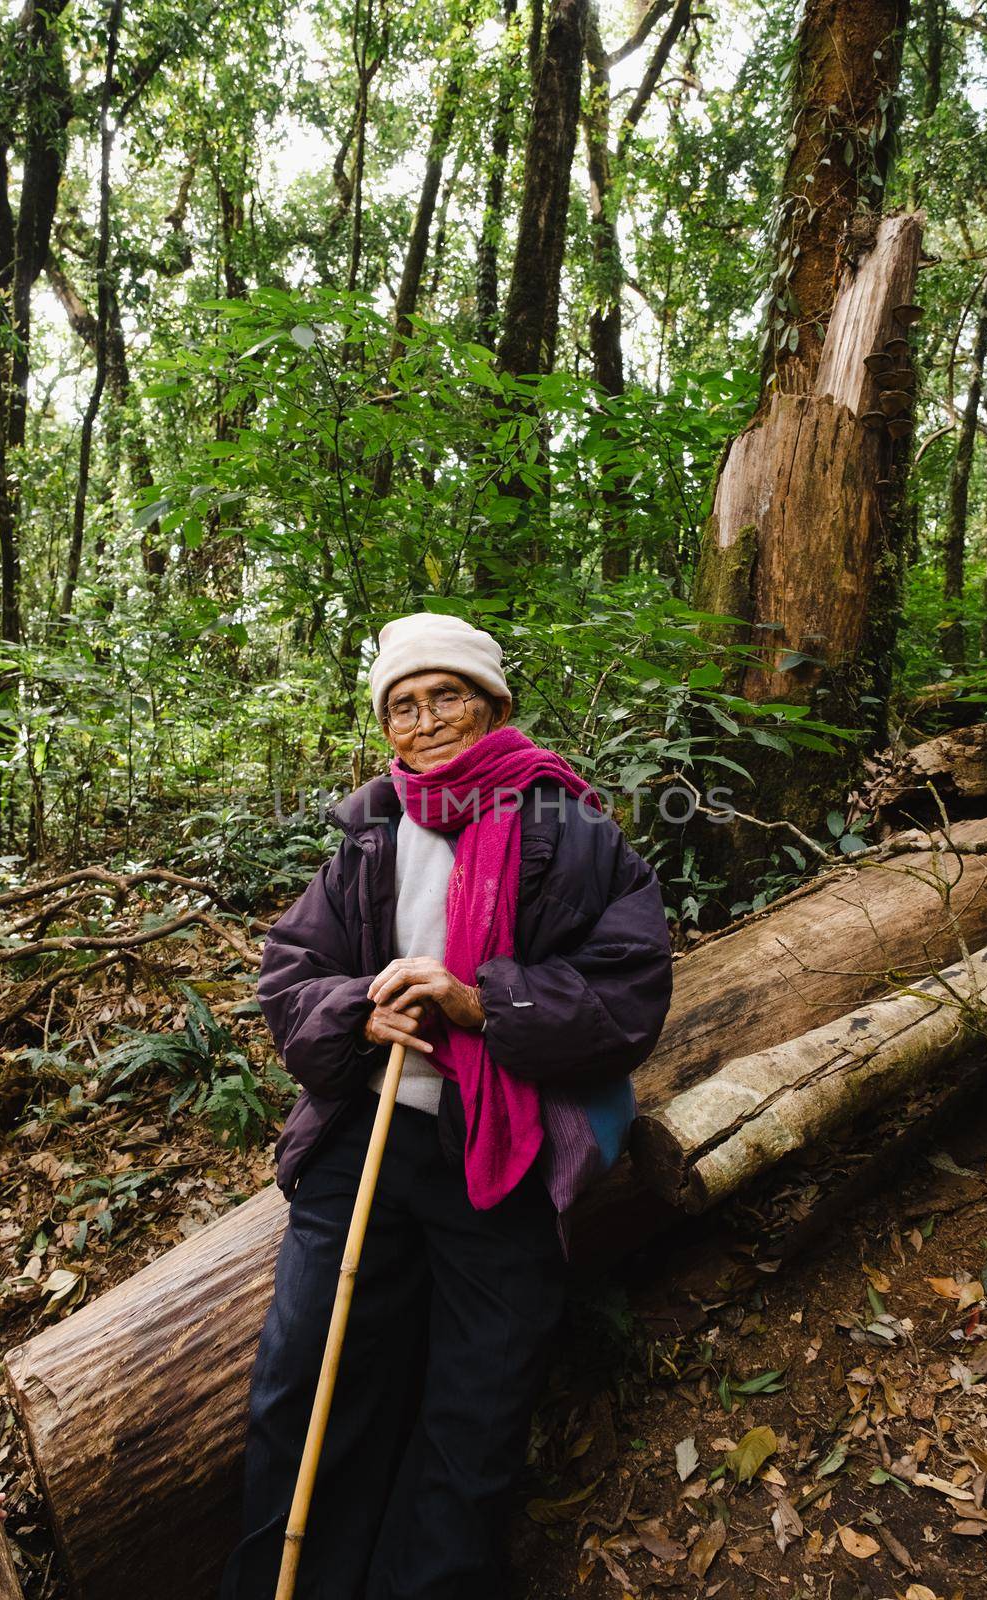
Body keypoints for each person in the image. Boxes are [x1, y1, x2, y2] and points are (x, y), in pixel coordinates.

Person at [220, 611, 673, 1600]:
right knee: (305, 1385)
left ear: (491, 704)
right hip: (362, 1142)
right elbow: (292, 972)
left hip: (497, 1149)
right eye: (402, 703)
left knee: (476, 1407)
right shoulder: (372, 825)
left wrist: (481, 1001)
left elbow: (629, 990)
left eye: (445, 696)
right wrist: (353, 1009)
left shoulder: (571, 824)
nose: (424, 720)